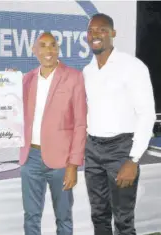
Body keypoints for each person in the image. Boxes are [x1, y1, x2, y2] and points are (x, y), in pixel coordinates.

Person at [83, 13, 156, 235]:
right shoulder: (88, 71)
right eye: (91, 31)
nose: (96, 34)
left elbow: (147, 114)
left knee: (123, 220)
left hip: (121, 150)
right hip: (92, 149)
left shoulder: (132, 67)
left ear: (113, 33)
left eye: (102, 29)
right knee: (99, 215)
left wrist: (133, 159)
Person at [8, 32, 87, 235]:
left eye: (52, 45)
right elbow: (12, 112)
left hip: (61, 162)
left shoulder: (74, 77)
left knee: (64, 217)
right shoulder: (26, 80)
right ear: (34, 51)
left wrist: (73, 164)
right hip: (30, 158)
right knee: (31, 217)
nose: (48, 50)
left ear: (58, 49)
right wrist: (7, 83)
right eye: (42, 46)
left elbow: (80, 124)